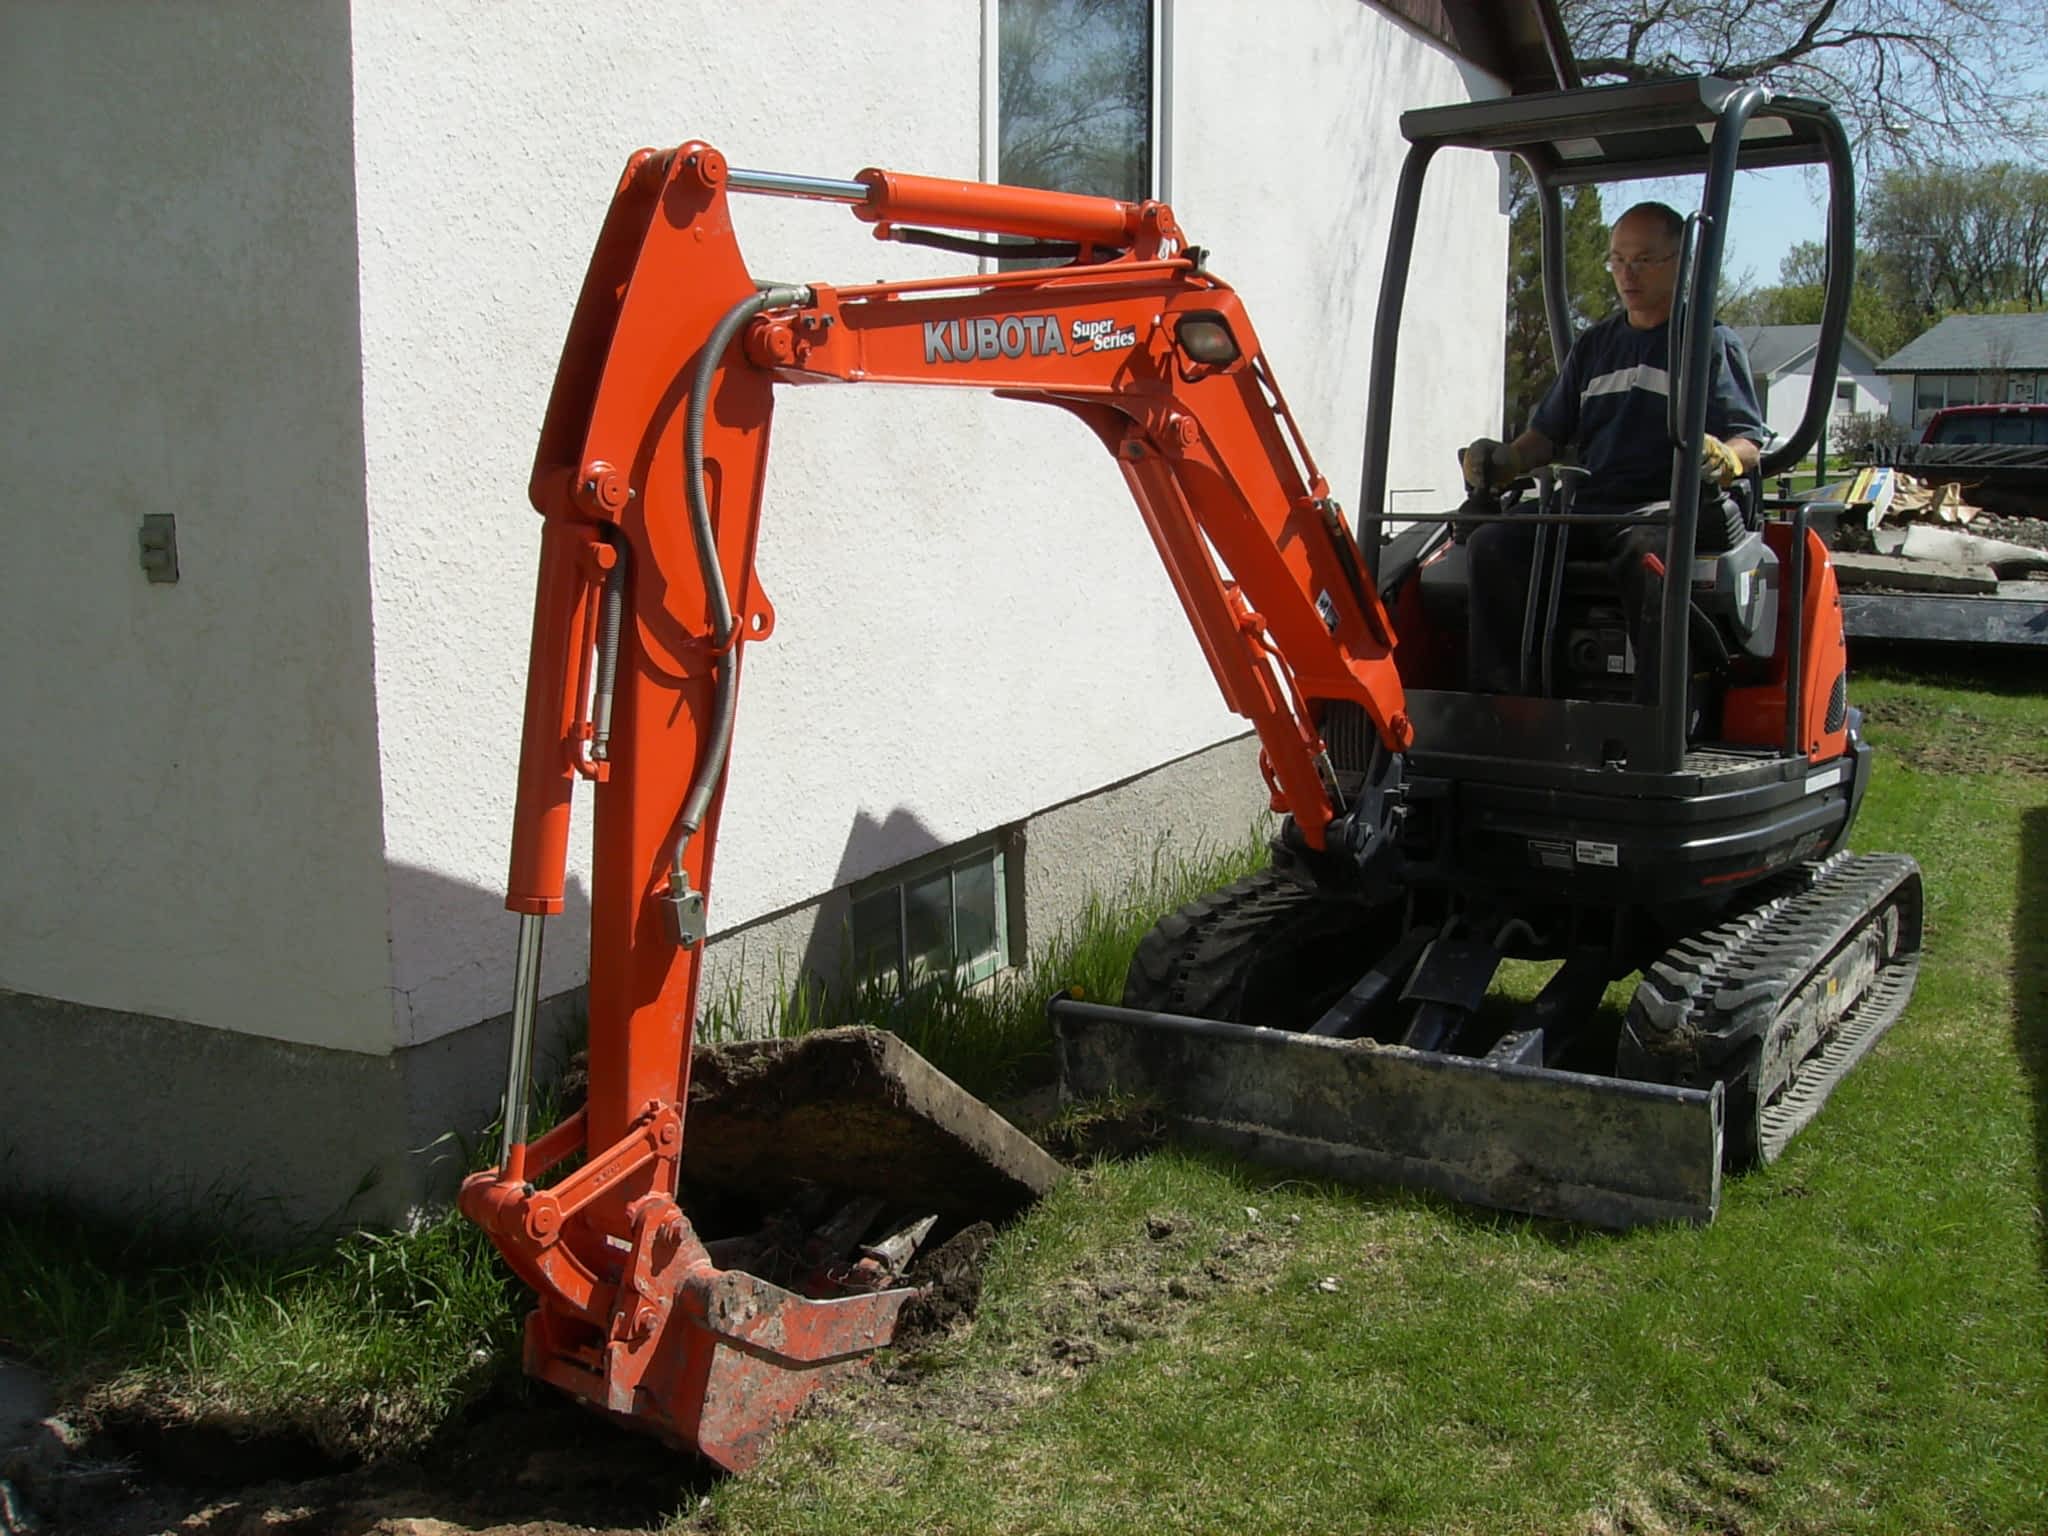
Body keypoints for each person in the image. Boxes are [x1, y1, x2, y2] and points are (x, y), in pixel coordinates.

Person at [1460, 201, 1767, 698]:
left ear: (1679, 261)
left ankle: (1659, 711)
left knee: (1645, 550)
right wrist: (1506, 460)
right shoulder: (1596, 345)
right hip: (1594, 505)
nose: (1628, 273)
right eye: (1618, 259)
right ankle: (1504, 705)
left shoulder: (1709, 342)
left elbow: (1747, 439)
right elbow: (1547, 435)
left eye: (1644, 260)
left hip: (1672, 506)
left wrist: (1726, 457)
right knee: (1495, 543)